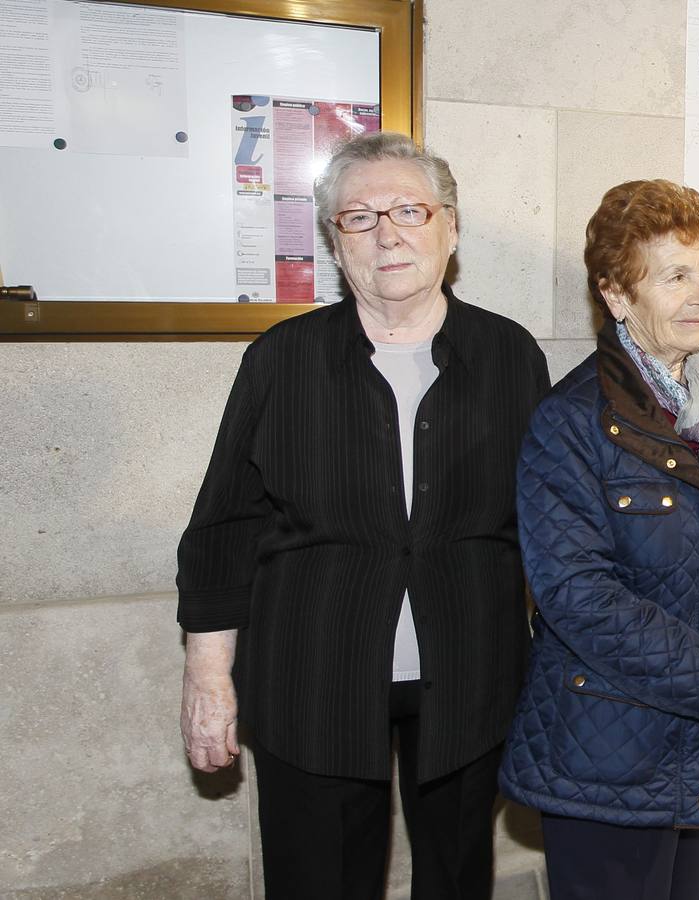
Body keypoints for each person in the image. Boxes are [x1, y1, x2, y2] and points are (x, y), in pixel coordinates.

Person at [176, 130, 550, 899]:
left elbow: (547, 524)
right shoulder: (281, 359)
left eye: (409, 210)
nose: (388, 233)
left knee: (457, 880)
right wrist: (208, 677)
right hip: (313, 680)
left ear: (450, 225)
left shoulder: (510, 355)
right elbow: (224, 528)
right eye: (359, 216)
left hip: (471, 680)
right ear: (333, 239)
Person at [500, 179, 699, 900]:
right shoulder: (570, 420)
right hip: (608, 749)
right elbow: (577, 595)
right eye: (674, 276)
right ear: (617, 295)